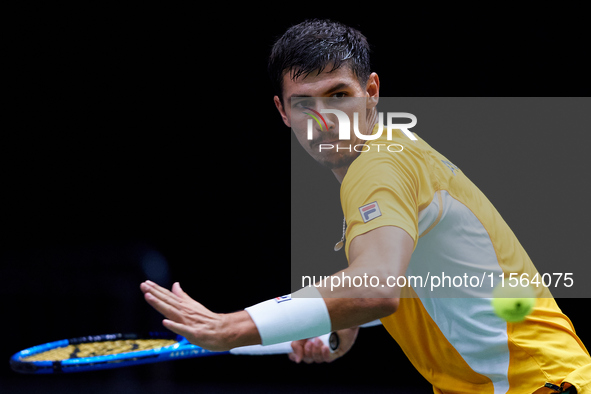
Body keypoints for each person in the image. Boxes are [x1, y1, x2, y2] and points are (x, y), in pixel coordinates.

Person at [140, 19, 590, 393]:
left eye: (339, 95)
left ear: (371, 91)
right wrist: (336, 327)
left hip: (540, 385)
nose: (325, 120)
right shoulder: (394, 156)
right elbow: (413, 286)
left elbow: (375, 290)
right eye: (304, 104)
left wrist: (230, 327)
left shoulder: (380, 168)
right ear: (282, 111)